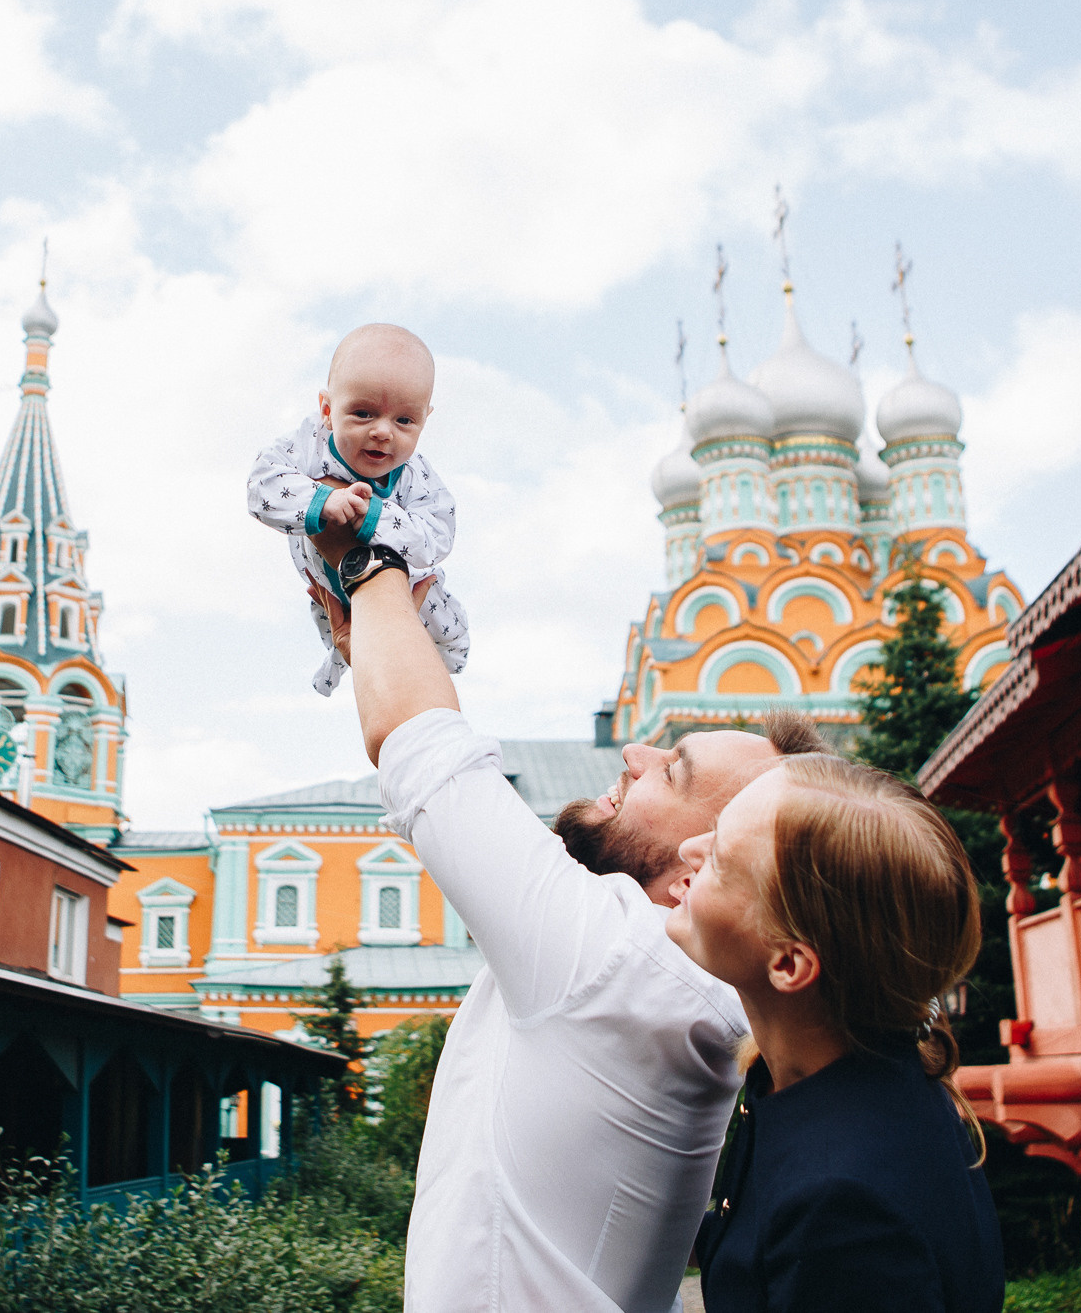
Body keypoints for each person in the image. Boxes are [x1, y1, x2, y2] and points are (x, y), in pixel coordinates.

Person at [332, 527, 814, 1313]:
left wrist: (366, 559)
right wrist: (384, 634)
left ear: (698, 869)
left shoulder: (618, 959)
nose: (634, 754)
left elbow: (421, 749)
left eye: (674, 770)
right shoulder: (683, 980)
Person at [671, 755, 1003, 1313]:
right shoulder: (814, 1078)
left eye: (721, 859)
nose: (689, 849)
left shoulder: (842, 1209)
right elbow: (755, 1240)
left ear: (788, 963)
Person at [246, 323, 470, 694]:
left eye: (404, 420)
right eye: (363, 413)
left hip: (406, 586)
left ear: (425, 419)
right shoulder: (310, 443)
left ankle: (432, 677)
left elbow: (438, 537)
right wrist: (323, 499)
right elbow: (261, 486)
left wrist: (376, 516)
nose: (383, 432)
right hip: (331, 584)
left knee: (442, 636)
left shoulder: (416, 476)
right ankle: (348, 662)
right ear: (327, 410)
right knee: (355, 645)